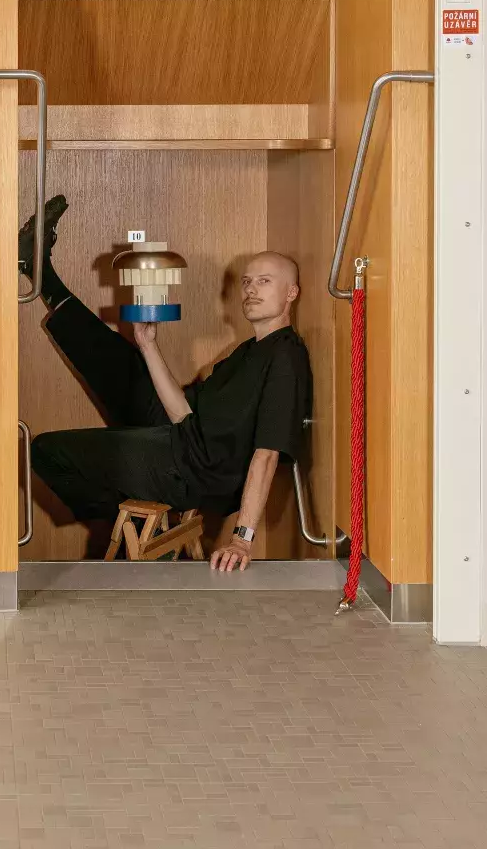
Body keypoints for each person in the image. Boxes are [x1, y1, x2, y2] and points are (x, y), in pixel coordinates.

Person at [22, 196, 311, 573]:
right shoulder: (248, 351)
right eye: (246, 282)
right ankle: (39, 270)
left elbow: (267, 453)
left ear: (291, 292)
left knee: (45, 450)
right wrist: (148, 345)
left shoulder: (286, 357)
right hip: (181, 440)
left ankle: (126, 518)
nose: (250, 290)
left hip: (190, 471)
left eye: (264, 281)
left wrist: (242, 538)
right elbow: (182, 414)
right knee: (126, 361)